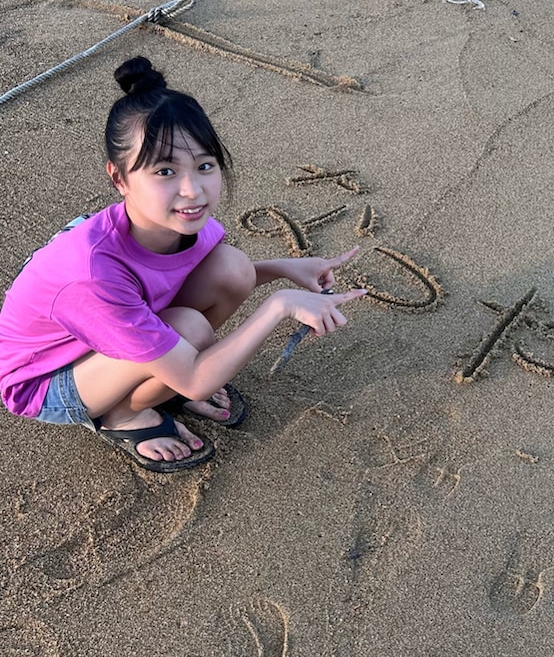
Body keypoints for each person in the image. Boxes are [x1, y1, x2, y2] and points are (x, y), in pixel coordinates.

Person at [0, 56, 365, 472]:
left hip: (112, 335)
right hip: (47, 379)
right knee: (190, 331)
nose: (192, 190)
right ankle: (122, 416)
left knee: (233, 268)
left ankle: (160, 375)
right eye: (165, 171)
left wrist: (283, 268)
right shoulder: (92, 271)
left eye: (204, 166)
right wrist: (279, 305)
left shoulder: (181, 225)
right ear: (119, 179)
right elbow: (194, 375)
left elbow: (188, 277)